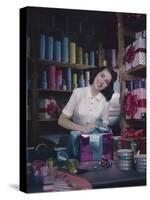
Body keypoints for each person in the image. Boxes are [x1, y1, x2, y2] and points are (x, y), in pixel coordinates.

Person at [58, 66, 117, 133]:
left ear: (107, 86)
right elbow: (61, 120)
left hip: (94, 140)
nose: (102, 81)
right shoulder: (78, 93)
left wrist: (102, 128)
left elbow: (104, 126)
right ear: (96, 74)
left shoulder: (105, 102)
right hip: (76, 139)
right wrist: (83, 128)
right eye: (102, 76)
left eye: (106, 82)